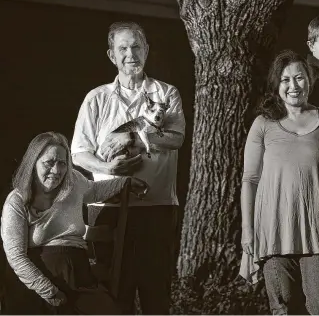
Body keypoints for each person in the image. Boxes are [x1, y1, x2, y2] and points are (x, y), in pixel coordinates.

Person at [71, 21, 185, 314]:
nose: (130, 53)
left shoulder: (166, 94)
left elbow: (176, 138)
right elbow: (79, 153)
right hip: (106, 207)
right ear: (112, 55)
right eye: (122, 48)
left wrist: (133, 136)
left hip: (156, 208)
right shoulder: (96, 98)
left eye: (136, 46)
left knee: (156, 293)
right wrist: (110, 168)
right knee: (112, 293)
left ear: (146, 51)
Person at [239, 50, 319, 315]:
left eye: (299, 78)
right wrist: (248, 230)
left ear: (309, 81)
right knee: (283, 309)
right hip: (273, 231)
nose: (293, 86)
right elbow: (250, 179)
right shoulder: (263, 124)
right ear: (276, 85)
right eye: (285, 79)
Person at [1, 132, 148, 314]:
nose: (56, 170)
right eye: (49, 162)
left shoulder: (73, 182)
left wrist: (125, 182)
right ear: (33, 162)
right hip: (36, 279)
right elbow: (16, 256)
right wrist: (49, 291)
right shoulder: (17, 201)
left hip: (78, 274)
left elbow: (94, 191)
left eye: (62, 163)